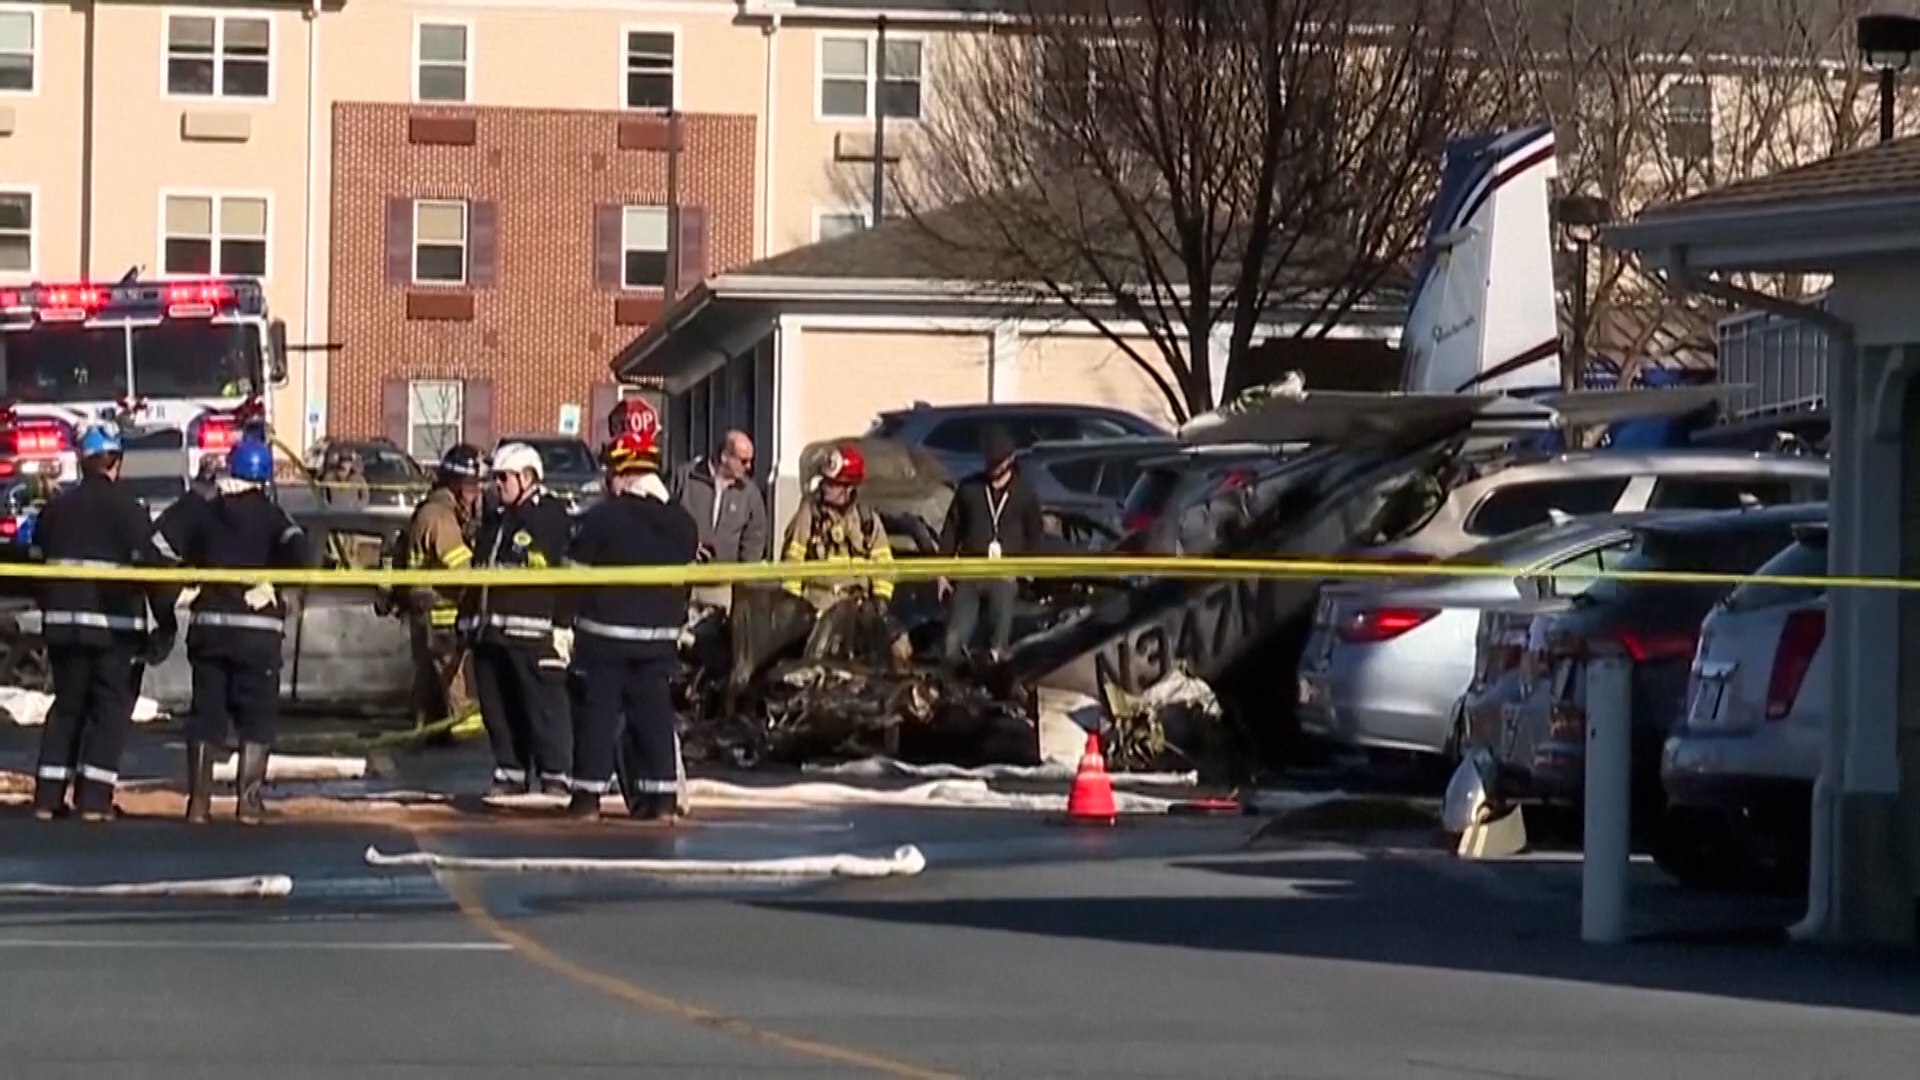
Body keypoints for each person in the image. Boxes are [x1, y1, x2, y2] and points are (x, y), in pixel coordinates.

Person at [154, 437, 311, 825]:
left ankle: (199, 805)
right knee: (257, 716)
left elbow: (159, 543)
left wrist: (188, 569)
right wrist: (276, 582)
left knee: (206, 714)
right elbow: (300, 552)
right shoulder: (274, 517)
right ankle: (249, 803)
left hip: (209, 629)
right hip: (258, 633)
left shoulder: (205, 512)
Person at [29, 424, 180, 822]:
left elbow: (32, 565)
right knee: (110, 711)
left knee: (67, 709)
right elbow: (157, 571)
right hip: (113, 630)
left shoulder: (56, 509)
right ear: (115, 462)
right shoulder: (130, 510)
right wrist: (165, 626)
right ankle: (94, 801)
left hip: (62, 627)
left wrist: (51, 609)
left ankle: (47, 798)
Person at [565, 430, 699, 821]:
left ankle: (587, 798)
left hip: (604, 637)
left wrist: (563, 625)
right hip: (659, 639)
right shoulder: (682, 524)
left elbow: (574, 574)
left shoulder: (603, 518)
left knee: (598, 717)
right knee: (655, 717)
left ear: (623, 475)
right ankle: (662, 800)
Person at [460, 442, 574, 797]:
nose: (498, 485)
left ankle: (555, 774)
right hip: (491, 633)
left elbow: (565, 572)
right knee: (498, 708)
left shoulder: (550, 518)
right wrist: (467, 622)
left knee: (542, 708)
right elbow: (480, 571)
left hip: (531, 634)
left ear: (527, 477)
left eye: (505, 478)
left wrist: (562, 625)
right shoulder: (496, 520)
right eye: (495, 479)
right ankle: (510, 770)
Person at [779, 444, 911, 668]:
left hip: (858, 606)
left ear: (850, 488)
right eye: (826, 482)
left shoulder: (867, 519)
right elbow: (792, 561)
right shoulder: (808, 514)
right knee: (815, 662)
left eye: (834, 484)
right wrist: (793, 607)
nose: (826, 488)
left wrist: (879, 601)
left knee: (900, 647)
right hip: (819, 608)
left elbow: (884, 565)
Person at [938, 427, 1044, 665]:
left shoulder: (1024, 493)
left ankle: (997, 662)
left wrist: (1027, 571)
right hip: (970, 571)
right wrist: (942, 572)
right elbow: (952, 529)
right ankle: (953, 675)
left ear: (1010, 459)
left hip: (1005, 573)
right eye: (989, 462)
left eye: (998, 463)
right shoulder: (970, 489)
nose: (992, 468)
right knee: (954, 639)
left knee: (999, 627)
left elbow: (1035, 534)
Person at [400, 444, 485, 730]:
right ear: (458, 485)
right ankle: (461, 755)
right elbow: (464, 572)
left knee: (429, 692)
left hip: (432, 620)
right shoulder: (440, 517)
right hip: (440, 620)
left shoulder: (439, 511)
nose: (477, 494)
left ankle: (425, 735)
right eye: (473, 486)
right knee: (455, 691)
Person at [672, 430, 769, 611]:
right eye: (743, 461)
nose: (749, 467)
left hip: (721, 588)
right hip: (681, 581)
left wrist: (744, 589)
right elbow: (665, 522)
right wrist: (686, 546)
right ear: (724, 456)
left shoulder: (750, 494)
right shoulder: (685, 478)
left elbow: (753, 542)